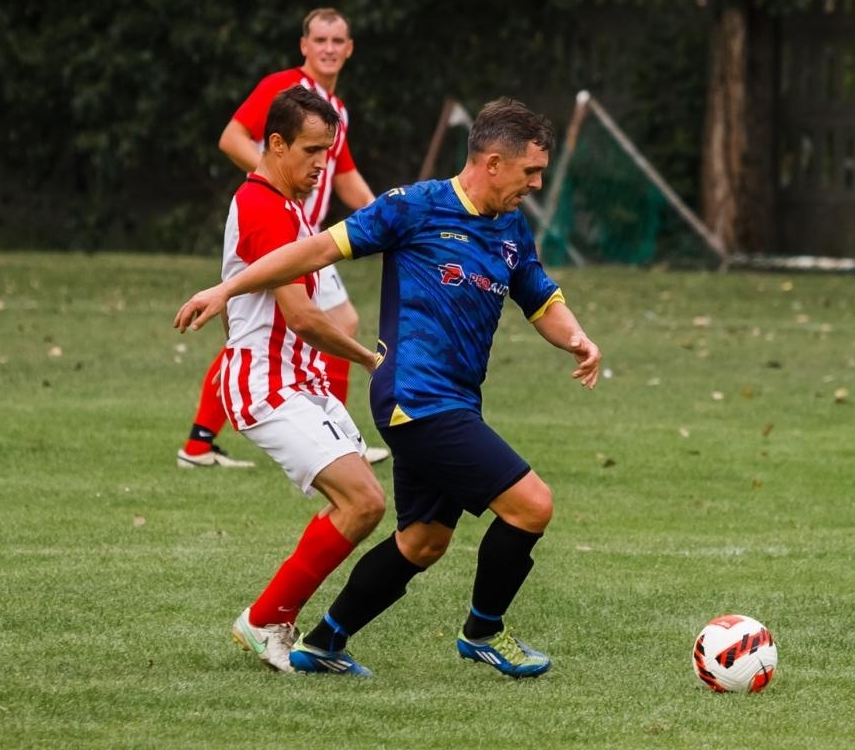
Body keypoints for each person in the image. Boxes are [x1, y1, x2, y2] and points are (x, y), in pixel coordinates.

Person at [176, 98, 602, 679]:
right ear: (493, 162)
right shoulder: (415, 207)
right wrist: (226, 289)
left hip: (457, 399)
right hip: (415, 397)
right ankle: (483, 632)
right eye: (530, 171)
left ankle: (324, 640)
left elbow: (540, 297)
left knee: (423, 542)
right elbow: (317, 249)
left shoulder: (511, 229)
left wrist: (578, 339)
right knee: (533, 505)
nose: (537, 183)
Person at [214, 84, 390, 676]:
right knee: (363, 500)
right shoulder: (264, 206)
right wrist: (369, 359)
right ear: (276, 143)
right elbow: (302, 317)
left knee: (363, 506)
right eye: (313, 151)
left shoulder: (287, 204)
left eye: (330, 152)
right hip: (267, 385)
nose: (323, 164)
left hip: (300, 381)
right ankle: (267, 619)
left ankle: (274, 618)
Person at [180, 7, 389, 468]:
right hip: (285, 229)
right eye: (320, 40)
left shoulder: (333, 112)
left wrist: (387, 220)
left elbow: (346, 175)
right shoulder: (286, 91)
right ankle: (209, 439)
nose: (329, 49)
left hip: (310, 237)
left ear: (350, 49)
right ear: (304, 46)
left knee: (322, 323)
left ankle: (330, 433)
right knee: (283, 329)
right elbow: (232, 136)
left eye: (338, 41)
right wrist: (270, 184)